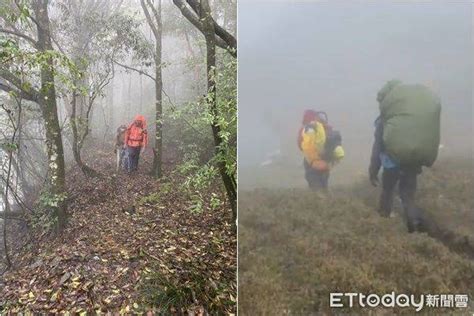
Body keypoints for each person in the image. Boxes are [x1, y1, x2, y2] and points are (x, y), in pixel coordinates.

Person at [369, 80, 441, 233]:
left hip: (392, 164)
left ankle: (384, 220)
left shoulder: (384, 120)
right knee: (407, 195)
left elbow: (378, 147)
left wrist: (373, 171)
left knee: (388, 191)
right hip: (412, 163)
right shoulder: (410, 117)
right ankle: (413, 225)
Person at [297, 109, 344, 190]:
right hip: (326, 161)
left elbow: (302, 145)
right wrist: (329, 164)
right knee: (324, 184)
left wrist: (313, 161)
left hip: (312, 162)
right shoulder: (327, 129)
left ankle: (319, 200)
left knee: (315, 188)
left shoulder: (307, 129)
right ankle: (325, 199)